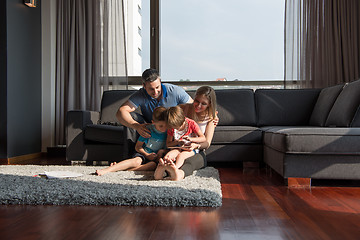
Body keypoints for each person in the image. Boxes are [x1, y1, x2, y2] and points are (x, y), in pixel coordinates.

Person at [116, 69, 193, 146]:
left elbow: (193, 107)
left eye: (157, 87)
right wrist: (136, 125)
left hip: (172, 128)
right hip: (151, 127)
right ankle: (133, 153)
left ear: (160, 82)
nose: (155, 92)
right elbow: (121, 111)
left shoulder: (175, 91)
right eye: (151, 89)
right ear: (144, 86)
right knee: (132, 116)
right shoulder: (140, 94)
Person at [162, 86, 217, 181]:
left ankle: (178, 174)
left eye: (203, 104)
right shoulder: (184, 108)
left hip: (197, 150)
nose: (198, 106)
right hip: (180, 147)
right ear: (194, 97)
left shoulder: (211, 118)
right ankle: (163, 172)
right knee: (169, 157)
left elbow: (206, 143)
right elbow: (169, 115)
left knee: (188, 162)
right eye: (197, 101)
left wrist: (195, 145)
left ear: (209, 104)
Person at [96, 107, 168, 176]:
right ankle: (108, 170)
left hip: (156, 159)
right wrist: (147, 155)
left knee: (152, 165)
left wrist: (161, 152)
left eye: (166, 125)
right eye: (161, 126)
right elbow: (138, 147)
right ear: (153, 123)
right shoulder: (148, 131)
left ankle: (122, 169)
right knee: (136, 161)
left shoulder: (169, 132)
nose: (164, 129)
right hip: (144, 154)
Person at [154, 106, 206, 180]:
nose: (177, 129)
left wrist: (191, 139)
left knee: (180, 156)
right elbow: (168, 144)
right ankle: (161, 169)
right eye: (175, 128)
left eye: (179, 127)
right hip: (178, 148)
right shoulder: (171, 127)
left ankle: (174, 169)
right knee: (169, 156)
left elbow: (203, 138)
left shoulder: (191, 123)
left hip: (190, 149)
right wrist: (177, 141)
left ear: (183, 119)